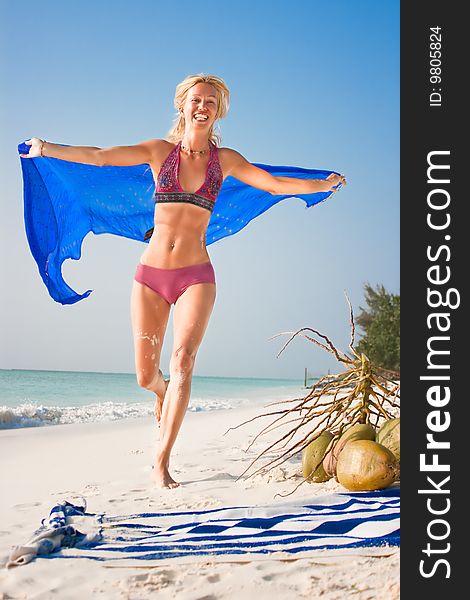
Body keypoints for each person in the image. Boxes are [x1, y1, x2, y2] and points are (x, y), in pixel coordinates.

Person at [20, 73, 346, 488]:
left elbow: (274, 183)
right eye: (196, 99)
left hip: (197, 276)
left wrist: (320, 185)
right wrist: (47, 148)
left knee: (183, 361)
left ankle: (161, 460)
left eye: (211, 101)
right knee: (145, 375)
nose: (203, 106)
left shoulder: (224, 161)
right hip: (151, 276)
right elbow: (100, 156)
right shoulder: (160, 153)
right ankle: (161, 392)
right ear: (183, 105)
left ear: (218, 110)